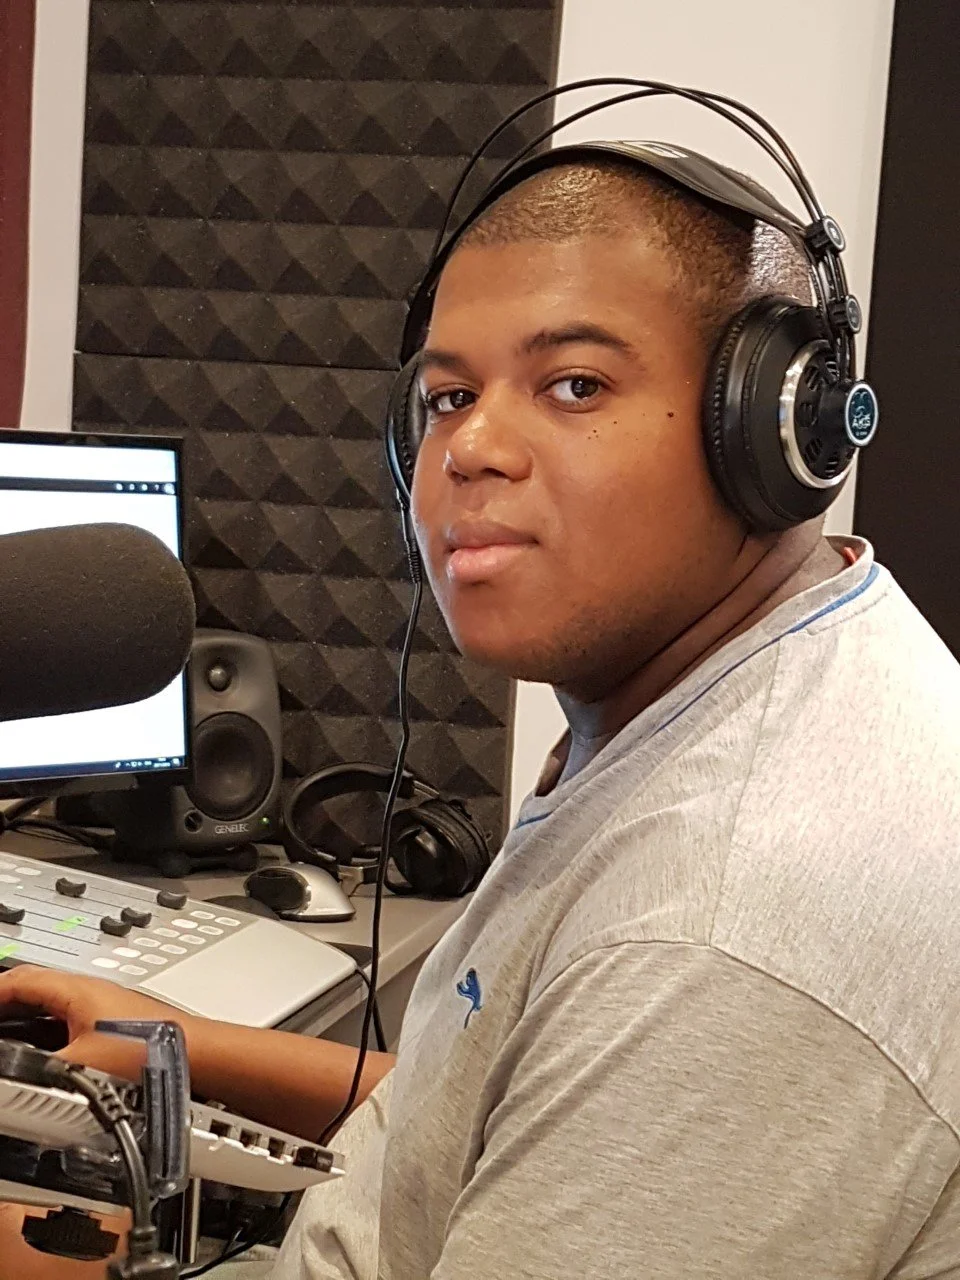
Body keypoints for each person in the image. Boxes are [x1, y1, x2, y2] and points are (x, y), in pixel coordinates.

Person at [3, 145, 960, 1280]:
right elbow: (499, 1103)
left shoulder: (721, 925)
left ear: (772, 428)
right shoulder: (748, 686)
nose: (472, 449)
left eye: (574, 385)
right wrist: (178, 1041)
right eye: (449, 397)